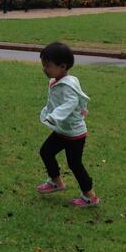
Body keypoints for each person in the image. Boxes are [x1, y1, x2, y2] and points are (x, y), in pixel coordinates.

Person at [34, 41, 99, 208]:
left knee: (75, 164)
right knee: (46, 152)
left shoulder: (68, 85)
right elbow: (54, 101)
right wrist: (47, 113)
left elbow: (70, 103)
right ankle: (56, 181)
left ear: (63, 66)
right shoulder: (57, 80)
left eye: (47, 66)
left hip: (75, 134)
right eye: (43, 65)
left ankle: (90, 196)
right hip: (62, 130)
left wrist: (55, 116)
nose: (44, 69)